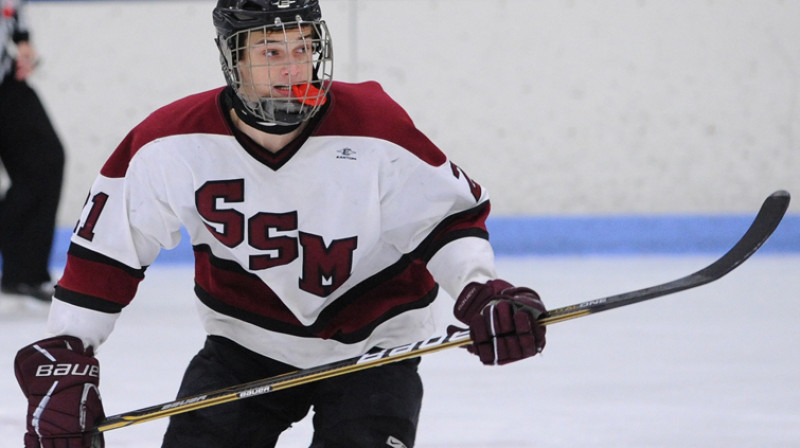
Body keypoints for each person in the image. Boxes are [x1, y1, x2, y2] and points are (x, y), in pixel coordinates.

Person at [13, 1, 547, 447]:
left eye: (302, 48)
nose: (293, 68)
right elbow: (107, 255)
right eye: (271, 52)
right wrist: (66, 354)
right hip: (243, 346)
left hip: (375, 349)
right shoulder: (170, 144)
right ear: (234, 61)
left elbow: (446, 220)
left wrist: (481, 291)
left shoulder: (374, 127)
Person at [0, 0, 64, 303]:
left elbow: (11, 8)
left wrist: (21, 42)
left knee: (44, 162)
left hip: (6, 82)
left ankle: (24, 273)